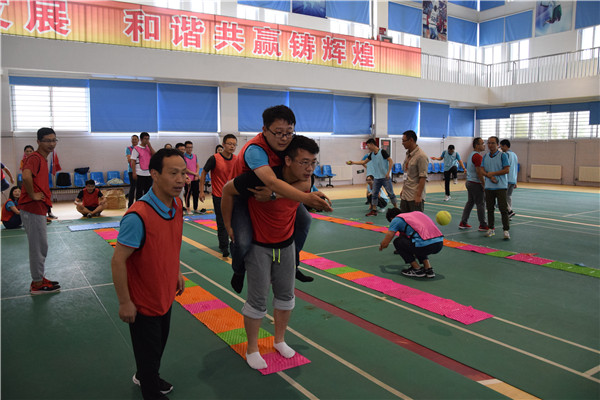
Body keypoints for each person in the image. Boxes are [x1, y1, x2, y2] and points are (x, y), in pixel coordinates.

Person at [221, 135, 319, 370]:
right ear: (288, 160)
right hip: (259, 247)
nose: (309, 168)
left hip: (286, 246)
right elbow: (226, 190)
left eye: (313, 162)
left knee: (286, 296)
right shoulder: (256, 178)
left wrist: (275, 194)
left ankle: (280, 340)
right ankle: (252, 348)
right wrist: (227, 225)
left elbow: (299, 190)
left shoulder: (306, 180)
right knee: (257, 299)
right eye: (304, 162)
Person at [228, 105, 332, 293]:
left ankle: (293, 265)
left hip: (273, 191)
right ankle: (238, 269)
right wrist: (306, 198)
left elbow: (304, 179)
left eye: (289, 132)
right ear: (265, 130)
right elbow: (271, 182)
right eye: (278, 133)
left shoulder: (289, 146)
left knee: (305, 220)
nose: (284, 138)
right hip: (245, 194)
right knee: (242, 241)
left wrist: (277, 195)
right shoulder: (255, 150)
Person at [111, 148, 186, 400]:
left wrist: (176, 271)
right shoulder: (137, 217)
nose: (180, 180)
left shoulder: (177, 205)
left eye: (183, 173)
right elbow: (118, 261)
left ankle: (147, 375)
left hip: (165, 293)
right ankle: (150, 390)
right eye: (173, 173)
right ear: (154, 174)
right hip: (143, 302)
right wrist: (125, 302)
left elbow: (171, 243)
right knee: (149, 350)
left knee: (157, 346)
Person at [19, 127, 60, 295]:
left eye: (54, 140)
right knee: (38, 247)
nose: (51, 144)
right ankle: (37, 284)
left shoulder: (42, 159)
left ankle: (39, 278)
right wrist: (32, 194)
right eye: (47, 141)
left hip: (38, 208)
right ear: (38, 142)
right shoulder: (35, 158)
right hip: (32, 207)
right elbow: (26, 176)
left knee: (41, 245)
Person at [199, 134, 238, 257]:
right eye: (229, 144)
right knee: (222, 222)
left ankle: (234, 243)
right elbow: (204, 172)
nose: (232, 146)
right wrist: (201, 191)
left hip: (233, 195)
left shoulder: (236, 159)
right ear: (223, 144)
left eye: (234, 144)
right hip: (219, 195)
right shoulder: (214, 158)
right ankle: (224, 246)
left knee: (235, 221)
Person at [379, 208, 443, 279]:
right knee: (418, 241)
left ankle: (417, 269)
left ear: (391, 218)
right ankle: (428, 269)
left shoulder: (396, 219)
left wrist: (382, 245)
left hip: (425, 246)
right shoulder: (417, 213)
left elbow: (385, 243)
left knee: (398, 242)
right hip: (439, 243)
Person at [347, 138, 398, 216]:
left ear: (372, 144)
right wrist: (353, 162)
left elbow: (390, 161)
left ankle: (396, 209)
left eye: (368, 146)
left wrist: (388, 173)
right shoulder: (371, 154)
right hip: (376, 178)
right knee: (374, 194)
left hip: (385, 177)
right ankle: (374, 210)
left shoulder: (382, 152)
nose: (368, 147)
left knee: (390, 194)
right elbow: (364, 162)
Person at [482, 136, 510, 240]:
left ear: (497, 145)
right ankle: (491, 228)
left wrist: (493, 173)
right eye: (489, 143)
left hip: (501, 187)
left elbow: (507, 170)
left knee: (503, 209)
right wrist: (488, 176)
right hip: (489, 187)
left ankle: (506, 230)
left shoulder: (503, 155)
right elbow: (481, 169)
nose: (490, 145)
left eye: (493, 143)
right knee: (490, 209)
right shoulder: (485, 156)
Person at [459, 138, 488, 231]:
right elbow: (479, 172)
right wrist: (483, 184)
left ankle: (463, 222)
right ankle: (483, 224)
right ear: (476, 145)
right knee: (480, 204)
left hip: (469, 182)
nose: (484, 145)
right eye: (482, 143)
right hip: (475, 183)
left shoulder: (472, 154)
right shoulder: (477, 156)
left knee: (470, 202)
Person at [400, 130, 429, 213]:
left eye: (404, 141)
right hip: (405, 195)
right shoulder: (408, 154)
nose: (402, 143)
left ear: (411, 140)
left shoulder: (421, 156)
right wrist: (403, 189)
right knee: (404, 219)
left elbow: (423, 177)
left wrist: (418, 196)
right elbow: (407, 174)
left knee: (416, 220)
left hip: (414, 196)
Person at [130, 132, 156, 201]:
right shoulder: (136, 148)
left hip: (148, 173)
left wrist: (150, 146)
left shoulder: (148, 148)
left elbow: (155, 155)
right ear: (141, 139)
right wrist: (134, 172)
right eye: (145, 139)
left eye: (148, 139)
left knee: (148, 192)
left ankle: (147, 204)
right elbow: (133, 161)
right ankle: (139, 205)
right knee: (139, 192)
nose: (147, 140)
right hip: (139, 173)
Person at [500, 139, 518, 219]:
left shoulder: (505, 155)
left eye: (501, 146)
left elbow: (504, 167)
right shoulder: (514, 155)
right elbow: (515, 168)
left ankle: (509, 211)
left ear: (505, 146)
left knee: (502, 197)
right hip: (513, 179)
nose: (501, 148)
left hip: (506, 179)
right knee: (509, 196)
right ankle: (509, 215)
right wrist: (515, 181)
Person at [183, 141, 200, 214]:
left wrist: (197, 174)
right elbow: (185, 169)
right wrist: (194, 173)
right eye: (188, 147)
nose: (190, 149)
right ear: (185, 148)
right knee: (188, 194)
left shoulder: (195, 156)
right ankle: (188, 209)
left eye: (191, 147)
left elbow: (197, 165)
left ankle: (196, 208)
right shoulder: (183, 157)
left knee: (196, 194)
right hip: (188, 179)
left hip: (195, 178)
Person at [126, 134, 139, 207]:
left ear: (138, 140)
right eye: (133, 139)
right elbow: (129, 160)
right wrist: (136, 158)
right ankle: (130, 205)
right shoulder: (128, 148)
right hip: (131, 171)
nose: (134, 141)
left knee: (139, 188)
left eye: (135, 139)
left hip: (139, 171)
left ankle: (138, 205)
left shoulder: (140, 148)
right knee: (132, 187)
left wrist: (133, 157)